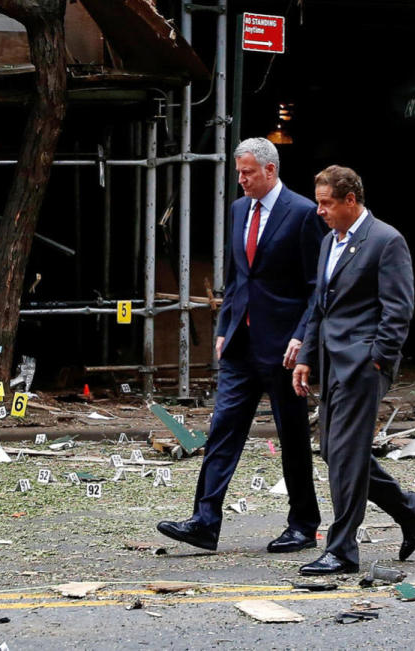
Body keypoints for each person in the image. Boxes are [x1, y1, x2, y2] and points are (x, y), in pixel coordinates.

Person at [156, 137, 324, 553]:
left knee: (293, 436)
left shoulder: (303, 213)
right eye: (238, 172)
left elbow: (315, 288)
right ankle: (204, 521)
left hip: (284, 346)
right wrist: (224, 326)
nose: (241, 179)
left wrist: (303, 338)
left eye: (248, 172)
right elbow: (237, 277)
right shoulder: (237, 210)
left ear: (270, 170)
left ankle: (303, 524)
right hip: (240, 343)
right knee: (223, 430)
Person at [292, 165, 415, 575]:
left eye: (326, 203)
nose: (320, 211)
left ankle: (342, 549)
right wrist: (306, 356)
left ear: (350, 200)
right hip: (333, 361)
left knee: (347, 455)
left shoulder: (386, 241)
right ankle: (408, 507)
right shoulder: (328, 243)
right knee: (335, 452)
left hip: (364, 363)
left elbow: (399, 308)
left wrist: (378, 359)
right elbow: (321, 306)